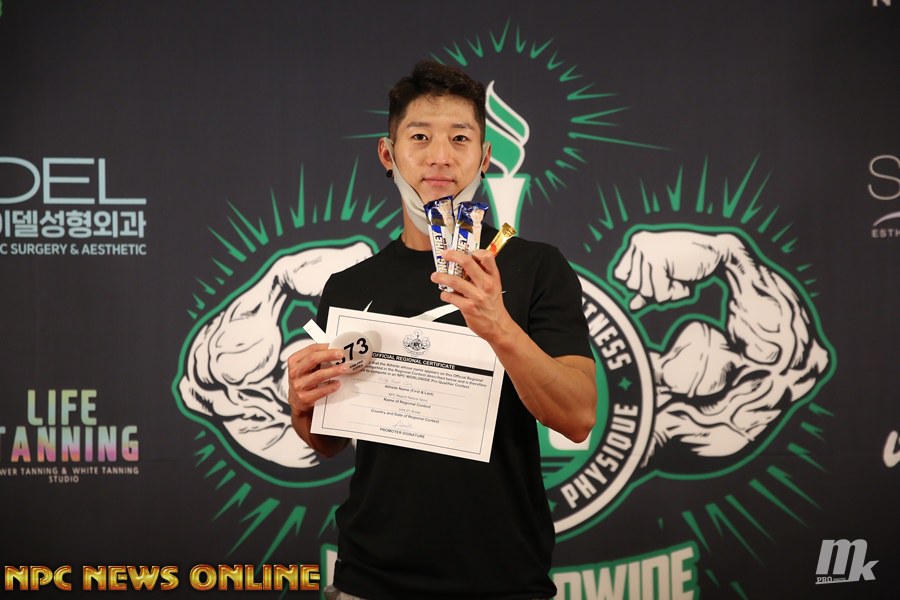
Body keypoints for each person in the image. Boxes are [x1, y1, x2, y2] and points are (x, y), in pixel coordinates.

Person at [287, 60, 597, 600]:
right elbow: (328, 440)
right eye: (420, 137)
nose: (440, 156)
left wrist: (498, 327)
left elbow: (577, 418)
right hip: (371, 578)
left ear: (485, 156)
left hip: (503, 579)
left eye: (459, 138)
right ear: (388, 154)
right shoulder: (349, 285)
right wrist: (301, 404)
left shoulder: (536, 268)